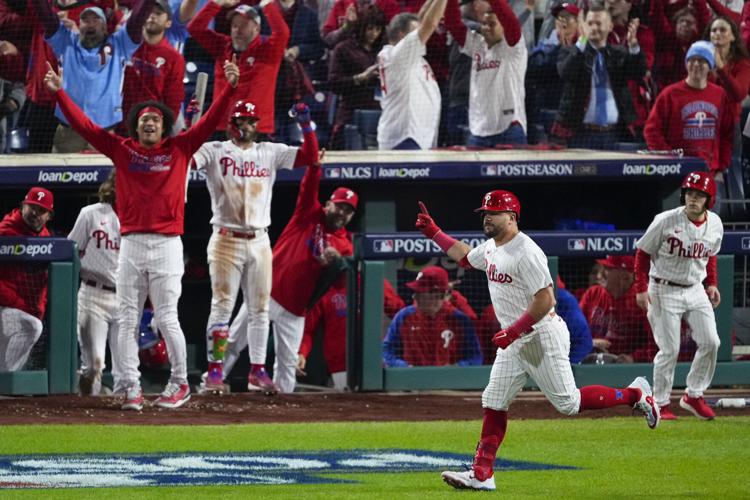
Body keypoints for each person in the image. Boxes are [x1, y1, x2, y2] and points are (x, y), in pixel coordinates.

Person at [415, 191, 659, 491]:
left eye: (494, 212)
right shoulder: (493, 246)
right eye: (485, 212)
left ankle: (635, 395)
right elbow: (466, 257)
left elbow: (546, 299)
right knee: (494, 400)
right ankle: (482, 473)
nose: (487, 217)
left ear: (512, 217)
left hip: (541, 335)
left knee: (569, 403)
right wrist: (433, 232)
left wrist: (515, 330)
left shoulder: (527, 251)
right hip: (515, 340)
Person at [43, 54, 240, 410]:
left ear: (165, 128)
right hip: (130, 244)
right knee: (127, 318)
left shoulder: (180, 149)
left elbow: (210, 123)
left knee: (166, 317)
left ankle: (180, 383)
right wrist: (60, 94)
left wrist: (229, 90)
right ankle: (130, 387)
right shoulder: (122, 150)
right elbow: (86, 126)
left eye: (155, 120)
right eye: (144, 120)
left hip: (166, 245)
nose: (149, 123)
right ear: (136, 128)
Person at [192, 100, 319, 394]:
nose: (246, 125)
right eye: (240, 120)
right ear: (230, 123)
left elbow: (310, 156)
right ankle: (214, 371)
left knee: (259, 308)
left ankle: (257, 370)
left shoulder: (269, 151)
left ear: (257, 124)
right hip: (226, 238)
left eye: (250, 120)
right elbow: (186, 159)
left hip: (260, 239)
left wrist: (305, 125)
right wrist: (194, 127)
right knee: (222, 306)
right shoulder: (215, 150)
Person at [220, 177, 359, 393]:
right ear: (328, 204)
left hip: (296, 309)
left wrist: (337, 262)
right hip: (269, 291)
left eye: (348, 210)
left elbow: (342, 283)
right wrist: (315, 166)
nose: (342, 213)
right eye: (339, 206)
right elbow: (308, 187)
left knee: (287, 364)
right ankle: (210, 381)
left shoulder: (345, 245)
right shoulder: (308, 215)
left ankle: (282, 409)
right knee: (234, 341)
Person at [635, 171, 723, 421]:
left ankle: (693, 395)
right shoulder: (665, 220)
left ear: (709, 199)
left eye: (699, 195)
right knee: (670, 348)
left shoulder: (715, 223)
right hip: (663, 288)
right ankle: (661, 403)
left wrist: (712, 283)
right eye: (689, 193)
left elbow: (711, 254)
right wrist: (641, 288)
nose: (693, 199)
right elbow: (642, 252)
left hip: (695, 289)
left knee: (711, 342)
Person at [32, 0, 153, 153]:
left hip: (104, 133)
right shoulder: (66, 41)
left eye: (95, 20)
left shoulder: (120, 44)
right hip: (69, 133)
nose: (90, 24)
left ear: (104, 27)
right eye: (85, 20)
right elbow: (45, 16)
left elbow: (138, 19)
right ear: (79, 25)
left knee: (105, 177)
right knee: (62, 177)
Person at [188, 0, 289, 138]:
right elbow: (194, 28)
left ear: (257, 29)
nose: (238, 30)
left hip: (256, 129)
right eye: (234, 25)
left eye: (244, 25)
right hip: (222, 127)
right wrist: (215, 4)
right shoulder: (221, 46)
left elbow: (282, 33)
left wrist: (267, 4)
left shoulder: (269, 51)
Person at [552, 4, 646, 150]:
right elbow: (566, 72)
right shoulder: (571, 52)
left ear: (610, 26)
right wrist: (581, 41)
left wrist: (633, 46)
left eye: (598, 23)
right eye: (589, 23)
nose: (594, 28)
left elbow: (638, 72)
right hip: (581, 135)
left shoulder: (619, 53)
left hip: (615, 134)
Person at [444, 0, 528, 147]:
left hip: (509, 129)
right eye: (484, 23)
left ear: (504, 27)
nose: (486, 28)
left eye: (492, 24)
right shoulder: (477, 44)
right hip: (478, 131)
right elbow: (452, 23)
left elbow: (510, 21)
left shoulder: (513, 47)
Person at [644, 41, 734, 176]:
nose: (696, 64)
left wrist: (721, 167)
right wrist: (670, 159)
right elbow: (651, 131)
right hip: (677, 172)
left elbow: (727, 134)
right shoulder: (669, 94)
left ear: (710, 66)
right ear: (686, 63)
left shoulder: (720, 95)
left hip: (709, 172)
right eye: (692, 60)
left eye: (702, 60)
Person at [67, 174, 121, 395]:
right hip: (93, 294)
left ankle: (127, 422)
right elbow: (71, 251)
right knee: (94, 365)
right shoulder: (90, 214)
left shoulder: (143, 217)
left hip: (127, 299)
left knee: (126, 369)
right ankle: (86, 413)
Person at [376, 0, 447, 150]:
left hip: (415, 135)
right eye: (415, 31)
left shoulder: (407, 56)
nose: (422, 35)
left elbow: (423, 18)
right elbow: (430, 23)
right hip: (405, 137)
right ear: (403, 35)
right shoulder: (399, 55)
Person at [383, 266, 482, 367]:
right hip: (411, 380)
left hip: (451, 381)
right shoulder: (404, 316)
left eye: (420, 293)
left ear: (438, 295)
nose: (414, 297)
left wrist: (456, 368)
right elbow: (386, 350)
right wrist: (404, 367)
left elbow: (475, 357)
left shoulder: (459, 320)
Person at [0, 187, 54, 372]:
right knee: (32, 328)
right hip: (5, 306)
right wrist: (18, 303)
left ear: (48, 216)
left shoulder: (46, 238)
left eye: (41, 210)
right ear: (22, 206)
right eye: (32, 207)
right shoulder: (5, 232)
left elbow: (44, 281)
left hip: (23, 310)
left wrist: (38, 308)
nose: (35, 214)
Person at [120, 0, 185, 136]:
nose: (152, 16)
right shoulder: (126, 44)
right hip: (120, 121)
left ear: (168, 23)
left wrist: (162, 129)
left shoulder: (174, 58)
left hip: (152, 125)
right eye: (149, 12)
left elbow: (173, 100)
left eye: (158, 13)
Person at [327, 5, 387, 149]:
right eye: (370, 29)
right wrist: (360, 78)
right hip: (351, 114)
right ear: (361, 27)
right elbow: (333, 83)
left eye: (378, 29)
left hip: (379, 114)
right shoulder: (343, 49)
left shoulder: (384, 50)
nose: (374, 34)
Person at [579, 255, 654, 363]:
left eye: (607, 269)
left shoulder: (642, 301)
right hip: (590, 361)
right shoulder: (593, 294)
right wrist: (590, 342)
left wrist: (633, 358)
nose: (599, 275)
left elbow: (656, 343)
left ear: (625, 277)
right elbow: (574, 333)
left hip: (628, 368)